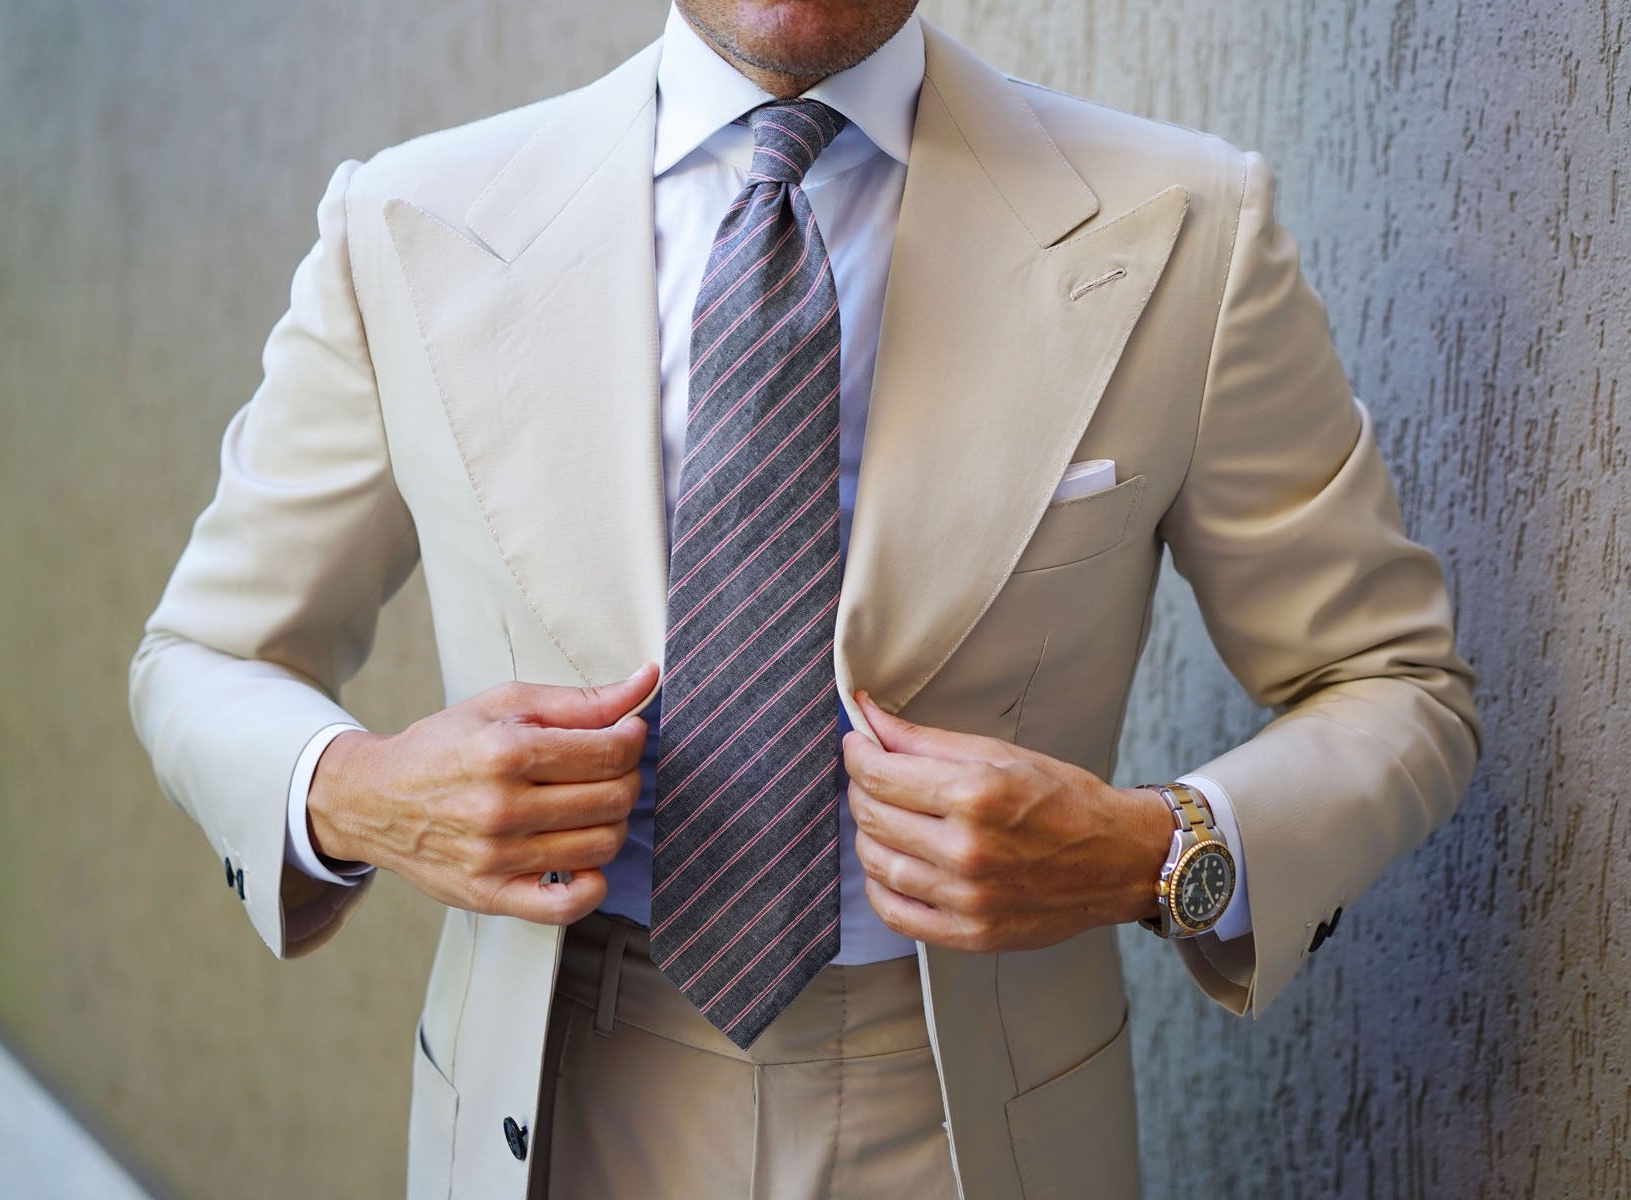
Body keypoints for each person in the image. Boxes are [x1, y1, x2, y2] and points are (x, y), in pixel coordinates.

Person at [128, 1, 1482, 1196]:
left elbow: (1396, 686)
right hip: (557, 1101)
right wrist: (355, 793)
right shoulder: (409, 225)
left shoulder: (1189, 231)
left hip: (970, 1119)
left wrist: (1152, 850)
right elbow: (202, 651)